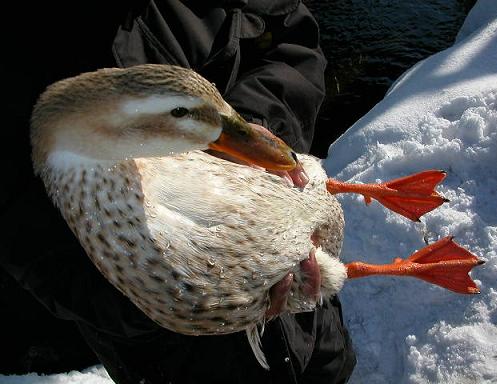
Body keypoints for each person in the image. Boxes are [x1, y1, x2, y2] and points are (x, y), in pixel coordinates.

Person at [0, 1, 356, 383]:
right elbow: (18, 228)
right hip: (170, 347)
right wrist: (156, 295)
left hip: (295, 300)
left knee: (326, 368)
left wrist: (256, 126)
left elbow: (288, 39)